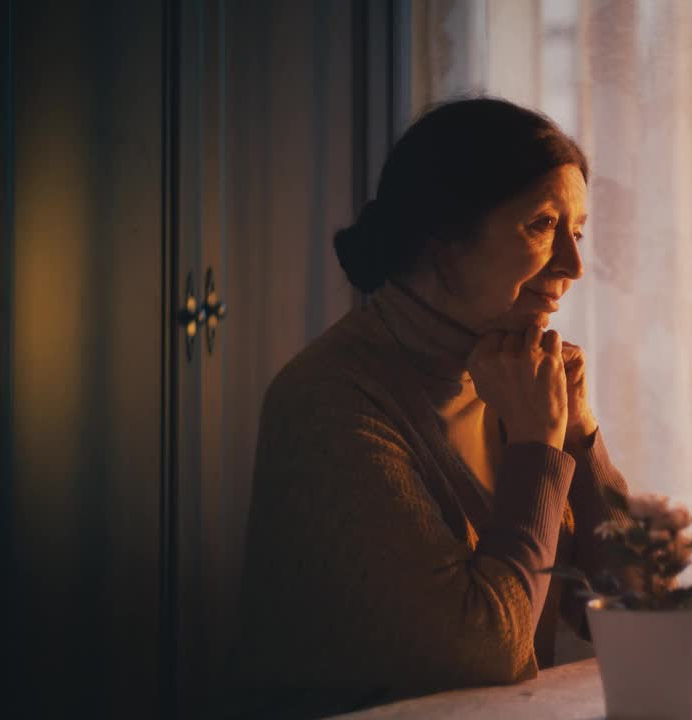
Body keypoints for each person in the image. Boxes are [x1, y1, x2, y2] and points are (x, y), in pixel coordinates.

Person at [228, 97, 636, 718]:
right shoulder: (330, 401)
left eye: (576, 232)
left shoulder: (514, 379)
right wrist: (536, 446)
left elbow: (635, 600)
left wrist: (577, 433)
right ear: (445, 239)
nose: (574, 265)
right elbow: (484, 652)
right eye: (542, 226)